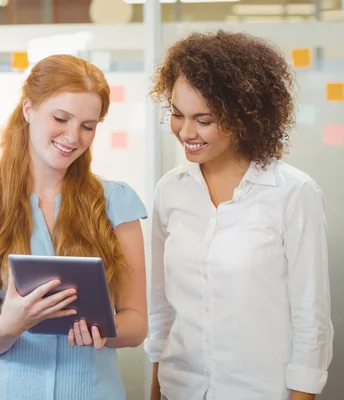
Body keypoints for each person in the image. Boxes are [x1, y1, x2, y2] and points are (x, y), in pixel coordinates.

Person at [145, 30, 333, 400]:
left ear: (244, 116)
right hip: (180, 390)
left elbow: (311, 323)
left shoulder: (293, 194)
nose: (186, 131)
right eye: (178, 114)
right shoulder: (170, 191)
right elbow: (161, 311)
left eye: (204, 119)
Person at [0, 54, 148, 399]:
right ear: (29, 109)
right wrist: (9, 325)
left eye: (88, 126)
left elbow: (136, 324)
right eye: (61, 118)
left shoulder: (117, 203)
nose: (73, 137)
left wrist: (102, 329)